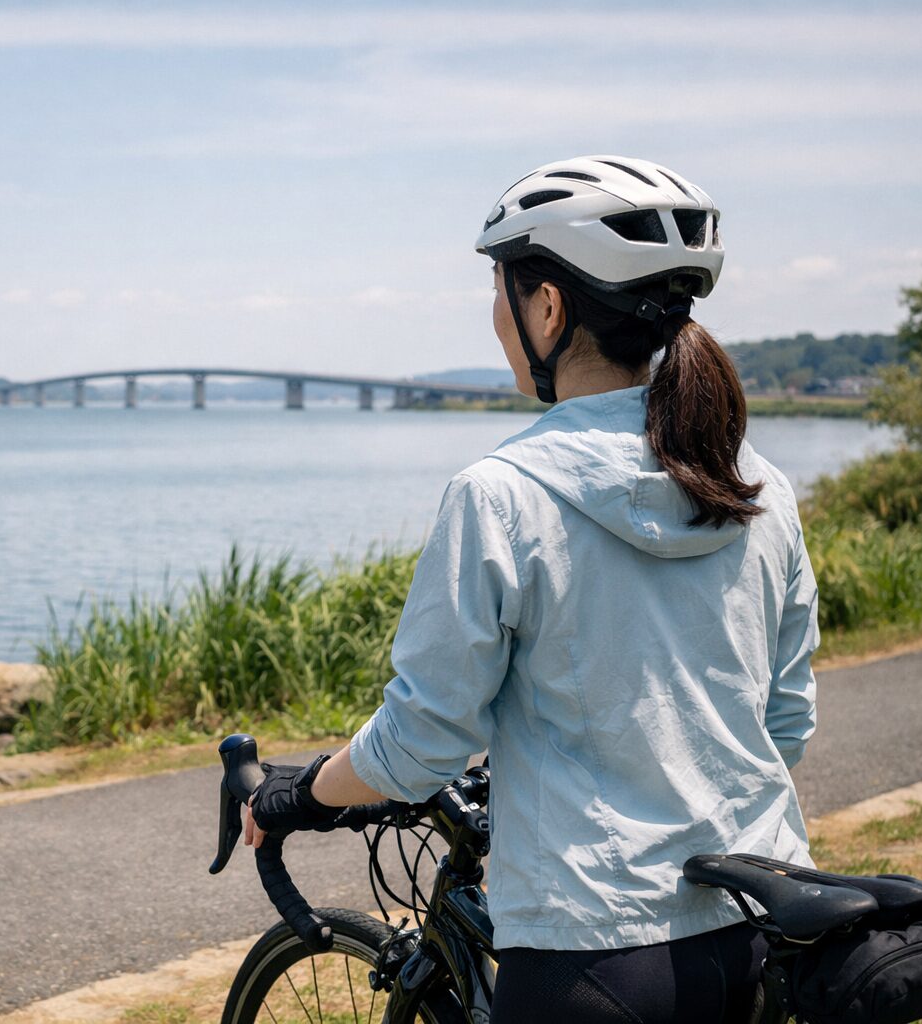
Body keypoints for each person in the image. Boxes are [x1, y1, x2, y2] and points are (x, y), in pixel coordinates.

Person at [245, 156, 818, 1023]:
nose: (496, 317)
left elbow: (420, 743)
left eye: (500, 291)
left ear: (546, 305)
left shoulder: (501, 496)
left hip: (591, 957)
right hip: (759, 931)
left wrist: (298, 792)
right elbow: (783, 725)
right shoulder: (758, 489)